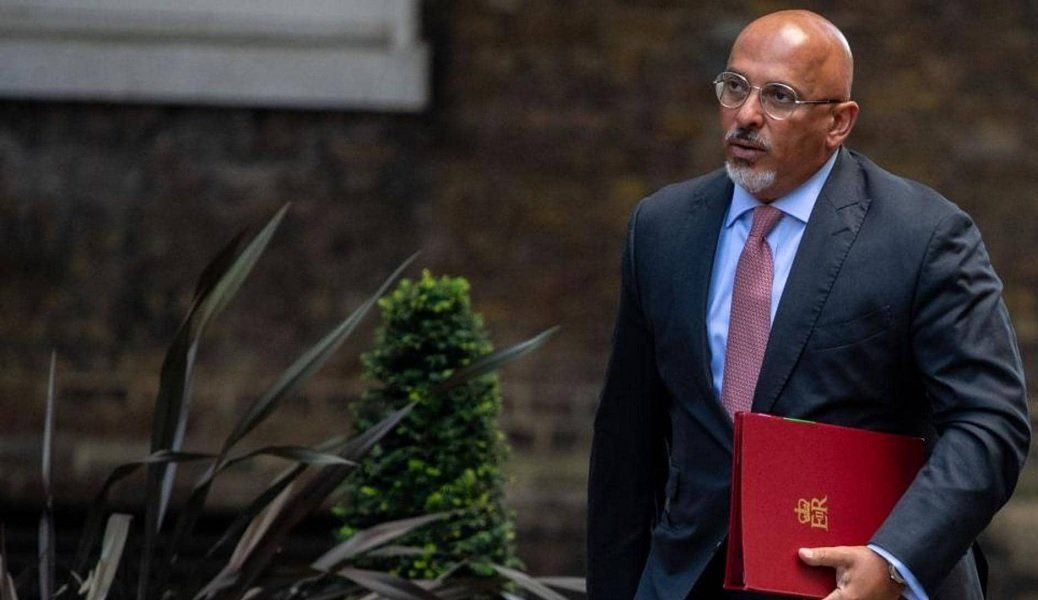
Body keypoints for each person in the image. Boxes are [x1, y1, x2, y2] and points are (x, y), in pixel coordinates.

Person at [586, 9, 1031, 600]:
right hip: (687, 578)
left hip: (850, 581)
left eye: (779, 97)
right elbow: (626, 442)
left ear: (838, 122)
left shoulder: (923, 236)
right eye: (735, 87)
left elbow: (989, 424)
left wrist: (893, 561)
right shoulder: (662, 228)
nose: (746, 114)